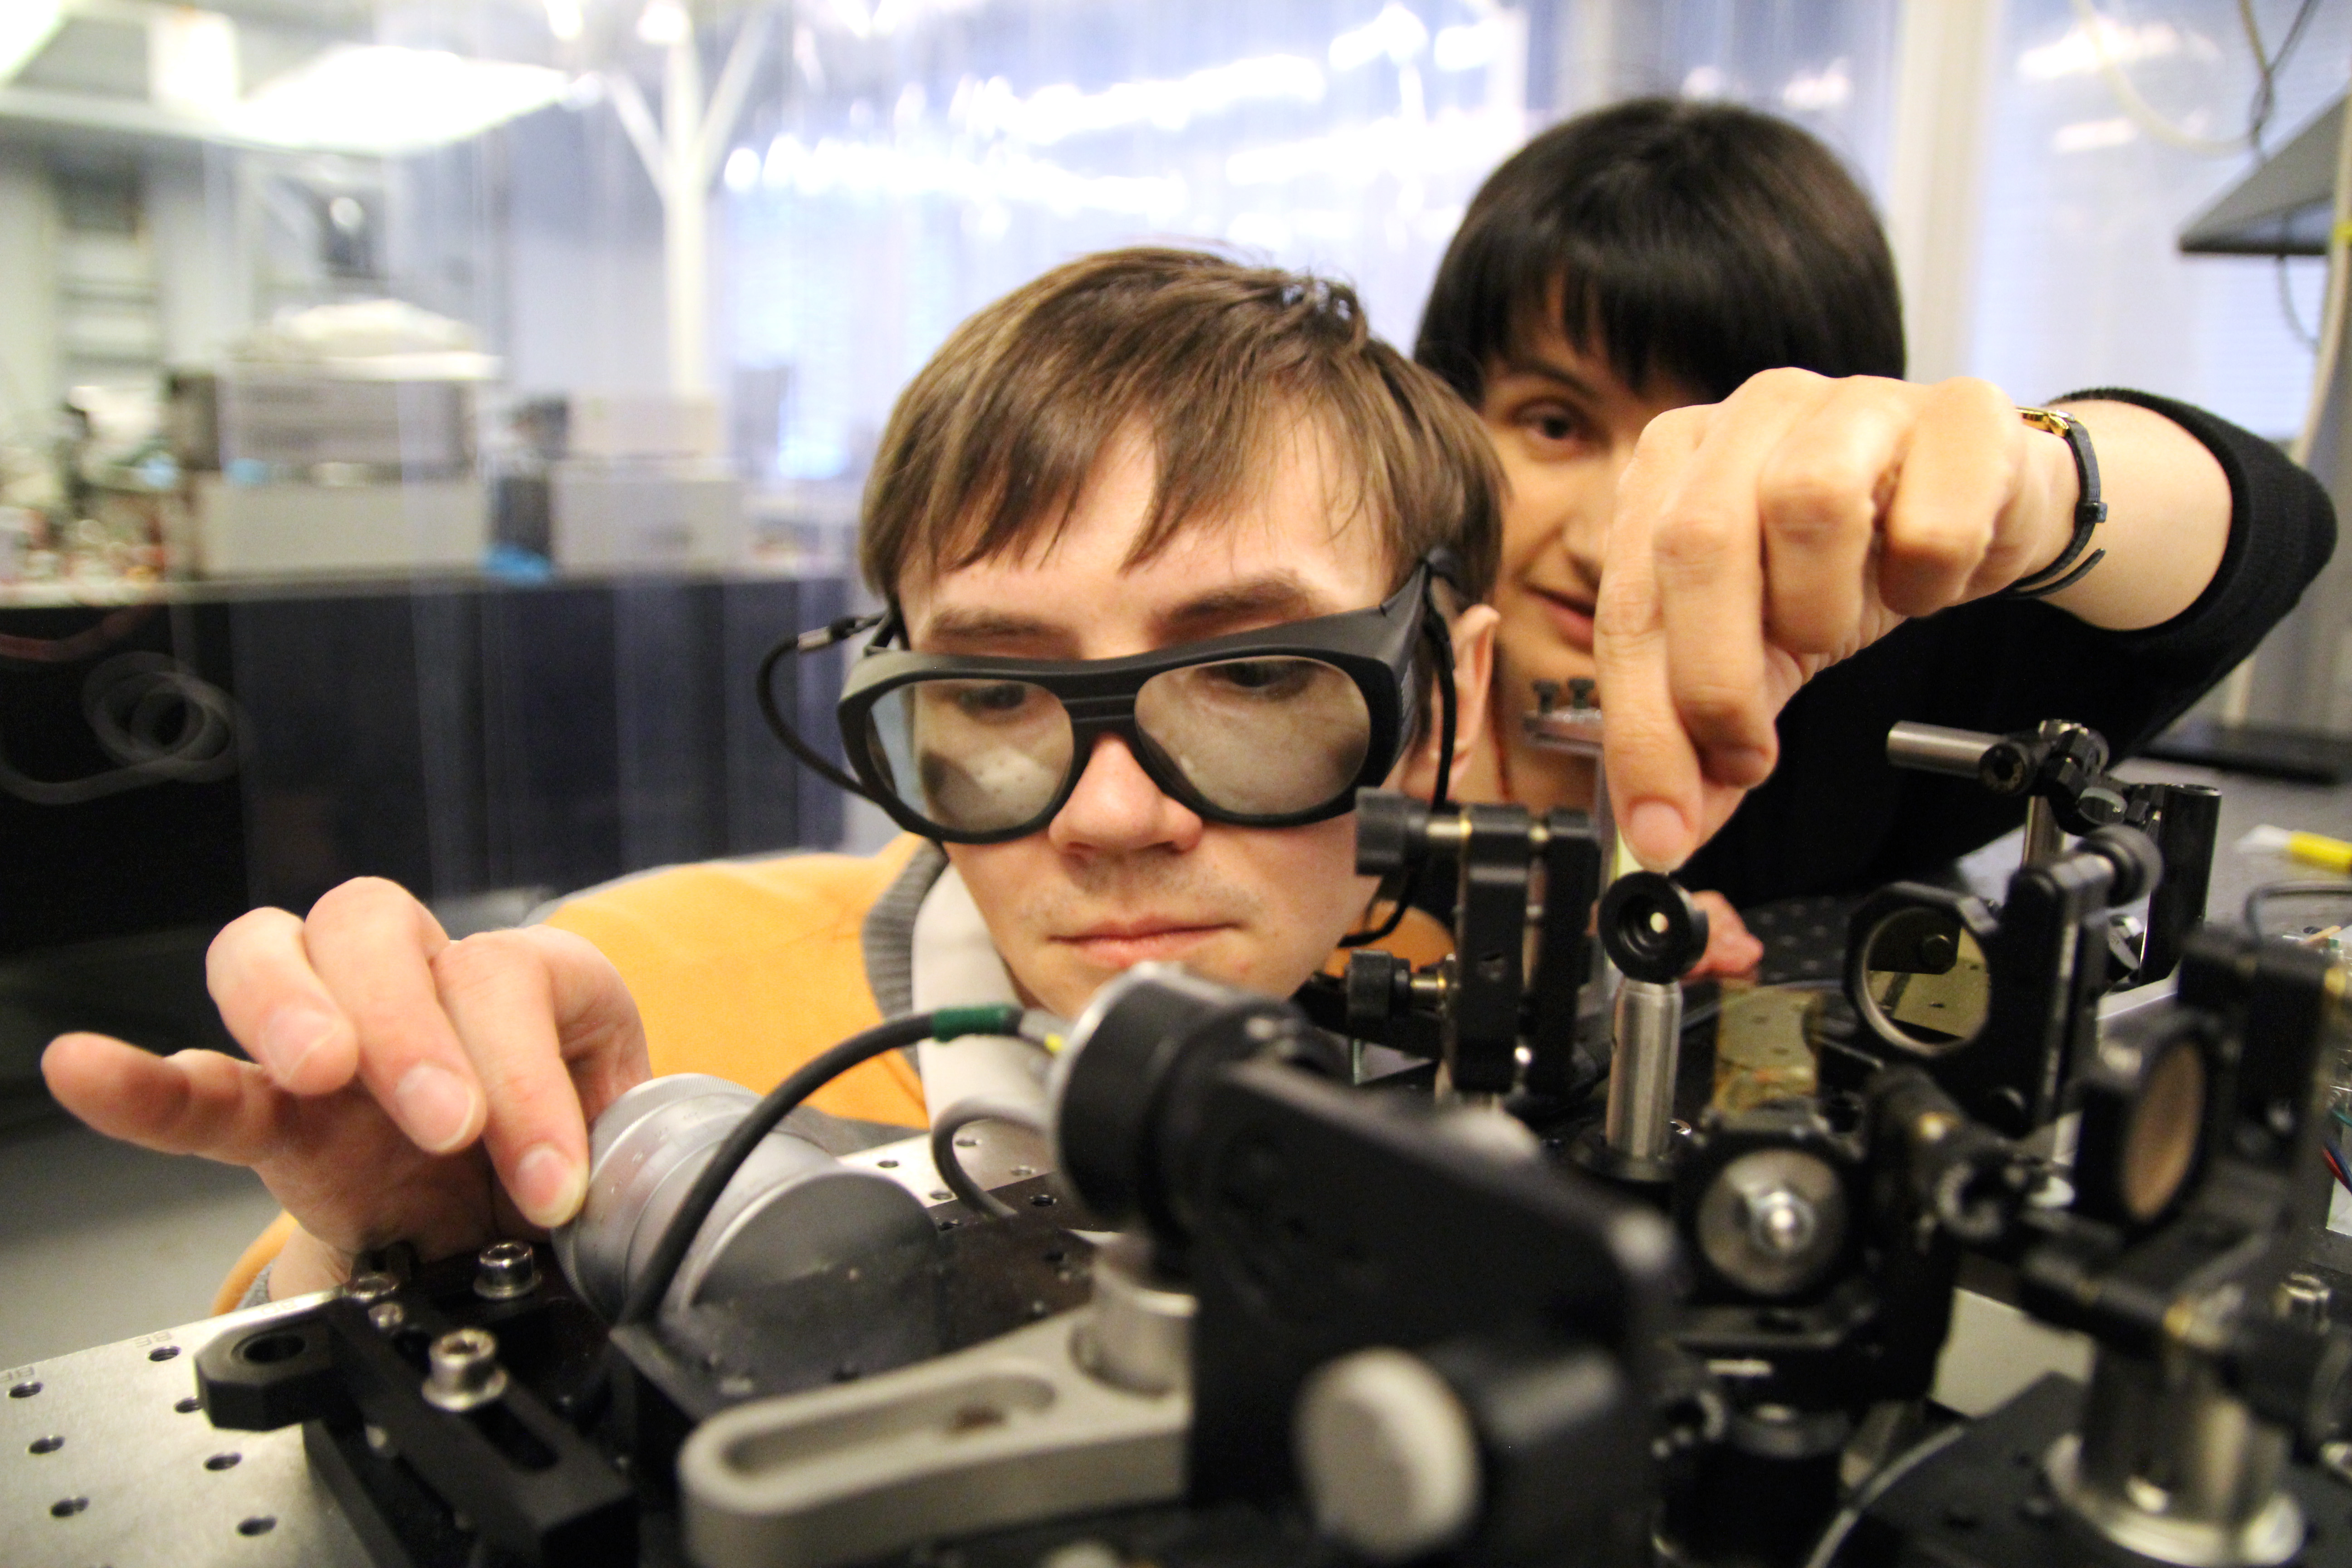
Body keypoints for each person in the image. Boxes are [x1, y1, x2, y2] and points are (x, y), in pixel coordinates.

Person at [40, 248, 1504, 1303]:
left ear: (1445, 695)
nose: (1110, 815)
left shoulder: (1502, 1016)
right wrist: (419, 1251)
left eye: (1253, 674)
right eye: (992, 688)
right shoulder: (637, 1021)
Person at [1415, 98, 2335, 921]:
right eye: (1554, 424)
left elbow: (2278, 531)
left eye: (1720, 437)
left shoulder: (1867, 699)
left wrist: (2042, 487)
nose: (1609, 541)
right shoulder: (1353, 678)